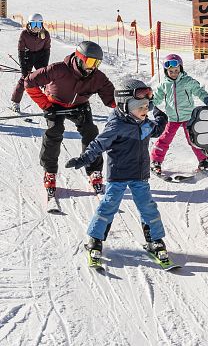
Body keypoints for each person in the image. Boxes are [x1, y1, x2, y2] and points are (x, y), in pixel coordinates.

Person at [65, 78, 170, 263]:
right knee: (108, 207)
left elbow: (158, 128)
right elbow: (98, 145)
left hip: (140, 176)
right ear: (124, 106)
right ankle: (95, 240)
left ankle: (155, 240)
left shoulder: (144, 123)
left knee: (148, 208)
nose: (145, 111)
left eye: (147, 107)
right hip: (119, 176)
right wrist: (84, 158)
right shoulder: (116, 126)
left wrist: (159, 113)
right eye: (141, 107)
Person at [24, 40, 115, 197]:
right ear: (80, 58)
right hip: (55, 104)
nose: (94, 67)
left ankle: (94, 170)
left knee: (91, 131)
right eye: (91, 62)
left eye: (97, 63)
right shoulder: (58, 69)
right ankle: (50, 172)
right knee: (54, 131)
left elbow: (112, 98)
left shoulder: (97, 77)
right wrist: (45, 105)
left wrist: (131, 104)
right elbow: (29, 82)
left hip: (79, 106)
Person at [150, 53, 208, 176]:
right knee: (164, 139)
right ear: (166, 71)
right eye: (171, 71)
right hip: (172, 118)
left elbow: (199, 91)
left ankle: (205, 160)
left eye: (176, 70)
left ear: (180, 69)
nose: (174, 73)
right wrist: (150, 104)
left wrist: (207, 100)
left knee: (194, 139)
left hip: (188, 117)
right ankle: (156, 161)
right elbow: (157, 98)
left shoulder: (187, 81)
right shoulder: (164, 85)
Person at [10, 13, 51, 113]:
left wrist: (44, 66)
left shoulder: (45, 34)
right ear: (29, 24)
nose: (36, 28)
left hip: (40, 56)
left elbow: (47, 50)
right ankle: (15, 101)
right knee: (25, 79)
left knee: (46, 78)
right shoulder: (24, 34)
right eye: (33, 25)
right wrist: (23, 67)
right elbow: (21, 51)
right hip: (28, 56)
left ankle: (51, 102)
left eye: (38, 25)